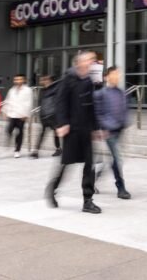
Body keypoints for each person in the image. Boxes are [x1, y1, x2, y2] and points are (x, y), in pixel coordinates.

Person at [45, 51, 102, 214]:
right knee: (67, 164)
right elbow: (60, 103)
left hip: (87, 129)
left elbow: (94, 105)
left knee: (89, 164)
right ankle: (53, 188)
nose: (93, 62)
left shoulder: (92, 80)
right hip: (72, 130)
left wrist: (96, 128)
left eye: (94, 60)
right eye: (90, 59)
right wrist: (62, 124)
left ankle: (88, 200)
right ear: (80, 63)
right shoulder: (68, 80)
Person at [94, 66, 132, 200]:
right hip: (108, 131)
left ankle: (93, 180)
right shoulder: (100, 94)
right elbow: (98, 114)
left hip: (120, 129)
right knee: (117, 159)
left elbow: (125, 109)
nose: (117, 76)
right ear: (106, 77)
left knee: (113, 160)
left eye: (118, 74)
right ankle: (121, 188)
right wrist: (103, 128)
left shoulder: (121, 93)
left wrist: (125, 122)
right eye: (114, 74)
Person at [3, 74, 33, 158]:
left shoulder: (28, 90)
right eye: (16, 79)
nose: (18, 81)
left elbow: (29, 103)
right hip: (12, 114)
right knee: (9, 129)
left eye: (20, 79)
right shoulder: (11, 90)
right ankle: (10, 141)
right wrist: (5, 111)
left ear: (24, 80)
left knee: (19, 133)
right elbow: (7, 100)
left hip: (21, 115)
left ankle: (17, 150)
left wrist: (26, 114)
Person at [31, 75, 62, 158]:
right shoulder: (42, 91)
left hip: (53, 115)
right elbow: (40, 103)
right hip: (44, 115)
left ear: (49, 80)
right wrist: (39, 114)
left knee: (56, 132)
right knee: (42, 134)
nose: (42, 82)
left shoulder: (55, 89)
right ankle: (36, 151)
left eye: (44, 80)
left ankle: (59, 149)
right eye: (42, 80)